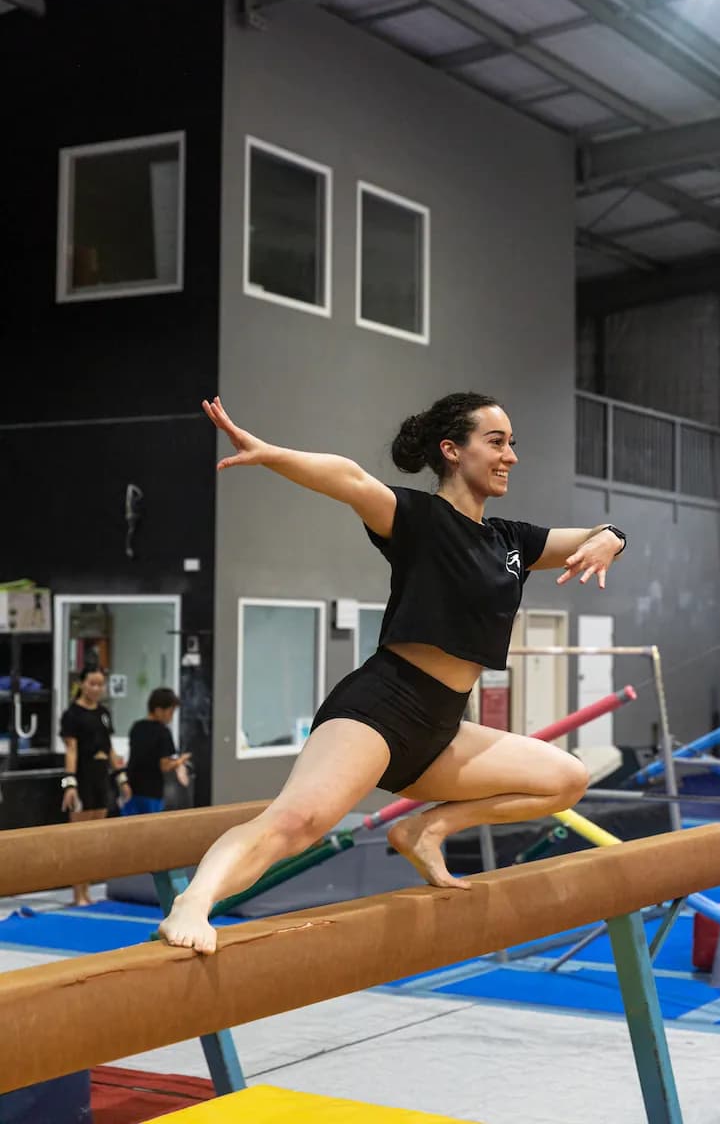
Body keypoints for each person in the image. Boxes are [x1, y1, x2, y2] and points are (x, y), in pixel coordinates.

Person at [160, 392, 626, 954]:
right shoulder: (419, 520)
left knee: (566, 780)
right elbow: (352, 479)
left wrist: (612, 537)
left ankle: (426, 829)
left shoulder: (512, 541)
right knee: (297, 823)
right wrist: (271, 454)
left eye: (513, 444)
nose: (511, 457)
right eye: (497, 442)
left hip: (444, 728)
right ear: (452, 450)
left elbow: (596, 535)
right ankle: (194, 900)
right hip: (381, 709)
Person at [60, 667, 131, 905]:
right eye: (92, 683)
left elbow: (110, 748)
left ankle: (87, 891)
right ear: (81, 684)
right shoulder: (72, 714)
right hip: (83, 776)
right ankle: (77, 893)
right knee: (79, 839)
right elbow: (71, 750)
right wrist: (69, 784)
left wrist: (122, 777)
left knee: (94, 839)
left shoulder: (104, 713)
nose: (97, 689)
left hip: (102, 777)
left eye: (101, 684)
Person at [121, 687, 191, 816]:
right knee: (150, 828)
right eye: (170, 712)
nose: (172, 717)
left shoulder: (136, 727)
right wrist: (180, 761)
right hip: (151, 791)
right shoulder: (163, 732)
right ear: (158, 711)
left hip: (132, 786)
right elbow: (164, 766)